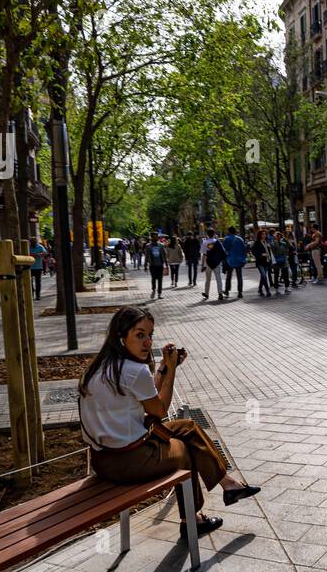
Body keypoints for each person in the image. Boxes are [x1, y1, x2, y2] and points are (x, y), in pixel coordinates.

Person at [77, 307, 260, 538]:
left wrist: (164, 365)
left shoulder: (98, 367)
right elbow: (160, 410)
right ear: (121, 338)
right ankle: (192, 520)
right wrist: (171, 370)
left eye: (150, 334)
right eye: (139, 334)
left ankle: (228, 484)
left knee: (187, 427)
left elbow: (148, 395)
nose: (147, 342)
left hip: (103, 459)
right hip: (129, 461)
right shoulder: (134, 370)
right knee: (186, 450)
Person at [222, 226, 248, 297]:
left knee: (229, 276)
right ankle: (240, 292)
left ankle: (227, 290)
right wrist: (244, 258)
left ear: (229, 231)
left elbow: (224, 249)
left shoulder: (227, 239)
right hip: (239, 260)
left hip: (230, 260)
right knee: (239, 276)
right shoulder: (240, 239)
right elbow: (244, 250)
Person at [201, 229, 225, 300]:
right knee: (218, 278)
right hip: (217, 262)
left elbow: (204, 255)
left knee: (208, 279)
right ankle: (220, 293)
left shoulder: (204, 242)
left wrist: (203, 266)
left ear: (207, 234)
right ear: (214, 234)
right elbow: (223, 251)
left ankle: (206, 293)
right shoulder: (218, 242)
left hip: (208, 263)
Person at [252, 226, 273, 297]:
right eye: (262, 234)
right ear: (260, 235)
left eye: (265, 234)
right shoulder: (257, 243)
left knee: (263, 277)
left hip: (267, 262)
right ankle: (268, 291)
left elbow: (270, 252)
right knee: (264, 276)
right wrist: (261, 254)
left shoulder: (267, 242)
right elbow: (253, 252)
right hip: (260, 262)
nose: (264, 235)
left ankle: (260, 289)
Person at [270, 229, 292, 294]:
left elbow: (290, 246)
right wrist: (276, 241)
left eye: (280, 236)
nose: (278, 237)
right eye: (277, 236)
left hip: (284, 261)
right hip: (276, 262)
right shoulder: (272, 244)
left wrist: (285, 238)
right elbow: (274, 250)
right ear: (274, 237)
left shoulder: (284, 243)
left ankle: (286, 288)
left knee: (285, 275)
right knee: (276, 275)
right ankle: (276, 290)